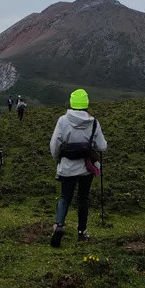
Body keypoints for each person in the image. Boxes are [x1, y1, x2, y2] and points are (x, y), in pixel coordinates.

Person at [49, 89, 107, 248]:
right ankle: (82, 232)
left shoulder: (62, 120)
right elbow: (102, 146)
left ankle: (59, 225)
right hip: (86, 169)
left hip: (67, 167)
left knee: (64, 197)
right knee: (83, 199)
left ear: (72, 102)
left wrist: (58, 161)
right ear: (86, 103)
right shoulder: (93, 122)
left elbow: (54, 145)